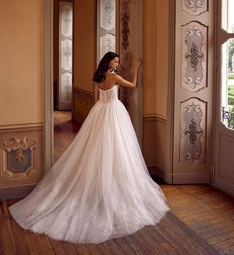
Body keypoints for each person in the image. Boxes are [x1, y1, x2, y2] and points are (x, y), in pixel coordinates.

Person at [9, 52, 169, 244]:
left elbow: (96, 99)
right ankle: (110, 185)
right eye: (115, 61)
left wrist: (103, 105)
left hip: (99, 111)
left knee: (96, 149)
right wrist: (135, 68)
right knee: (116, 148)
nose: (117, 64)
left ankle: (99, 183)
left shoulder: (98, 76)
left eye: (118, 61)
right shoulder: (114, 77)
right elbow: (133, 85)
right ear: (108, 61)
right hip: (113, 112)